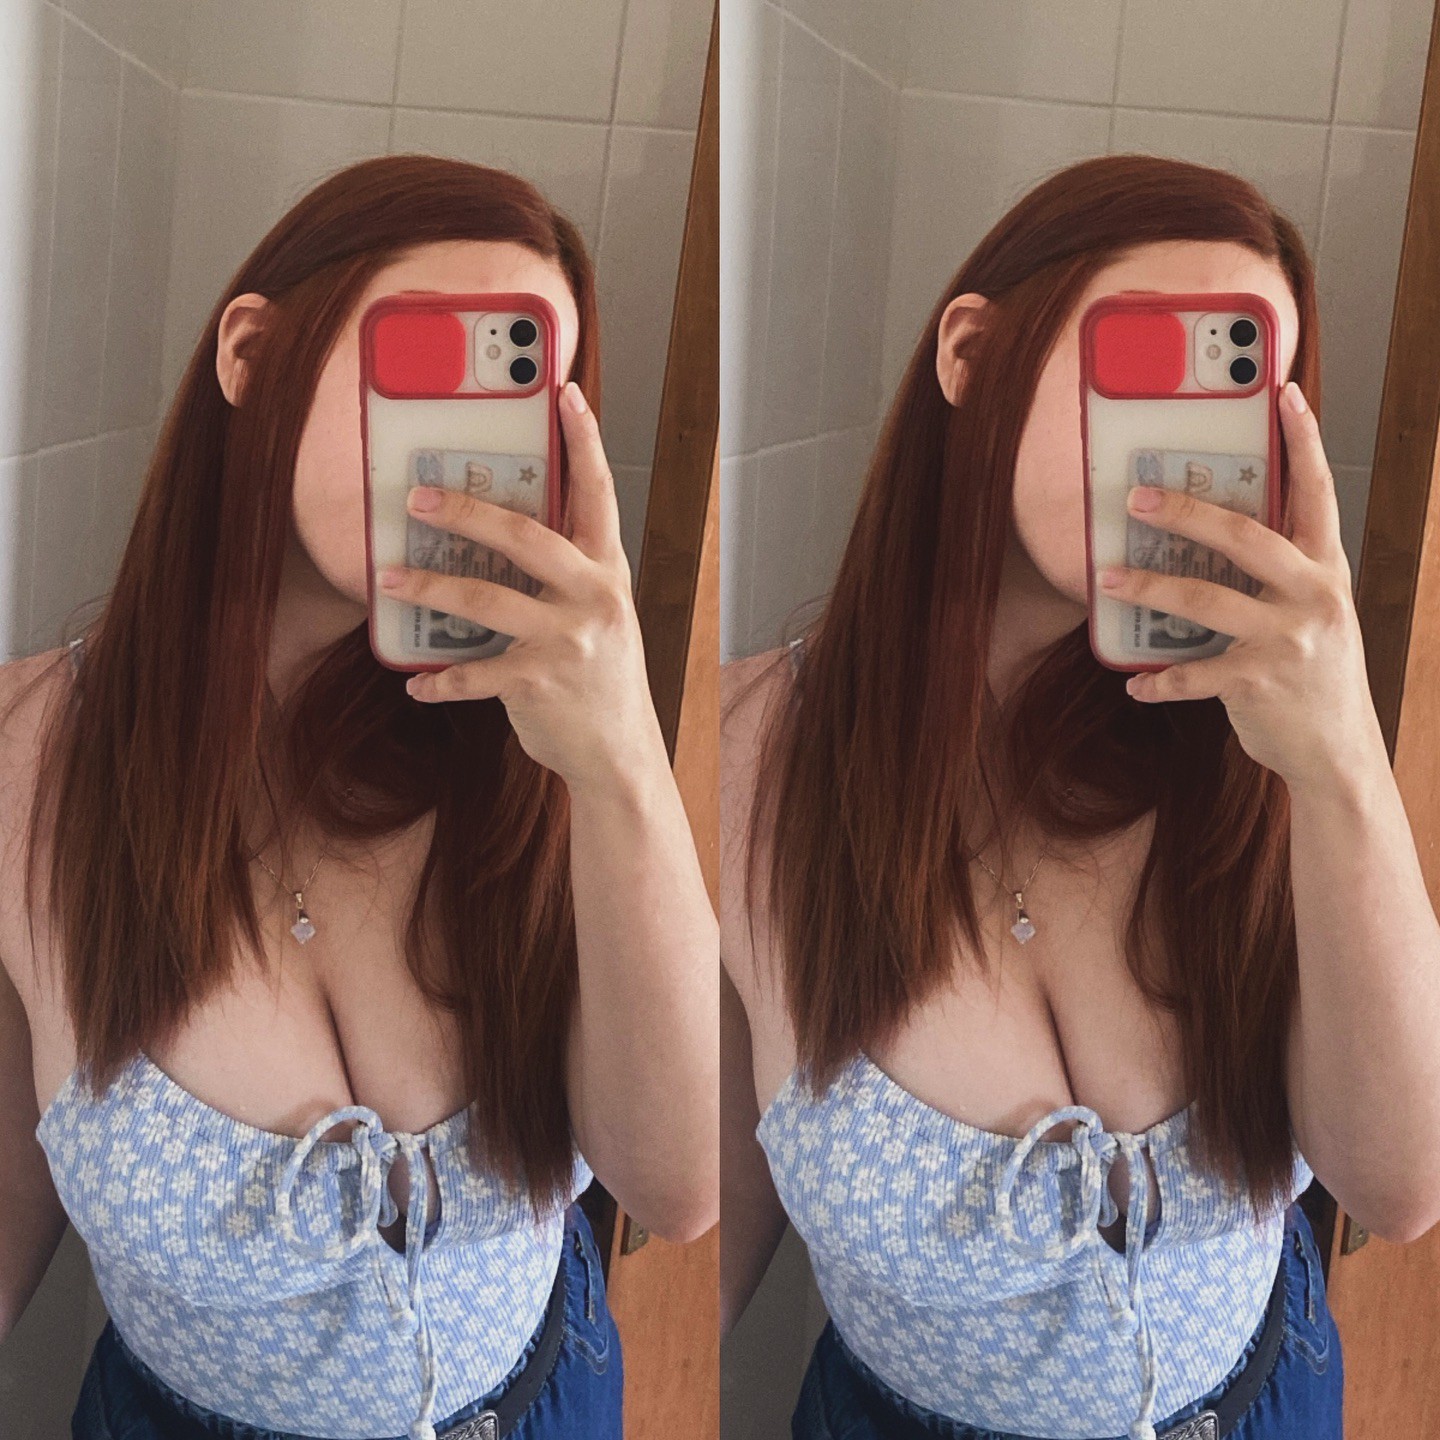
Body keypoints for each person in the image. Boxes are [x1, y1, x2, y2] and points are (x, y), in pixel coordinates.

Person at [720, 154, 1440, 1440]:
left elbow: (1399, 1189)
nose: (1172, 453)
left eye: (1227, 391)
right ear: (971, 353)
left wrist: (1340, 761)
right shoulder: (740, 760)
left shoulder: (1268, 746)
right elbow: (688, 1236)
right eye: (1144, 360)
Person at [0, 154, 718, 1440]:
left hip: (544, 1400)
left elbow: (677, 1189)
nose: (456, 455)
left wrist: (619, 762)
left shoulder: (544, 746)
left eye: (509, 394)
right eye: (425, 363)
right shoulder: (28, 760)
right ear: (252, 353)